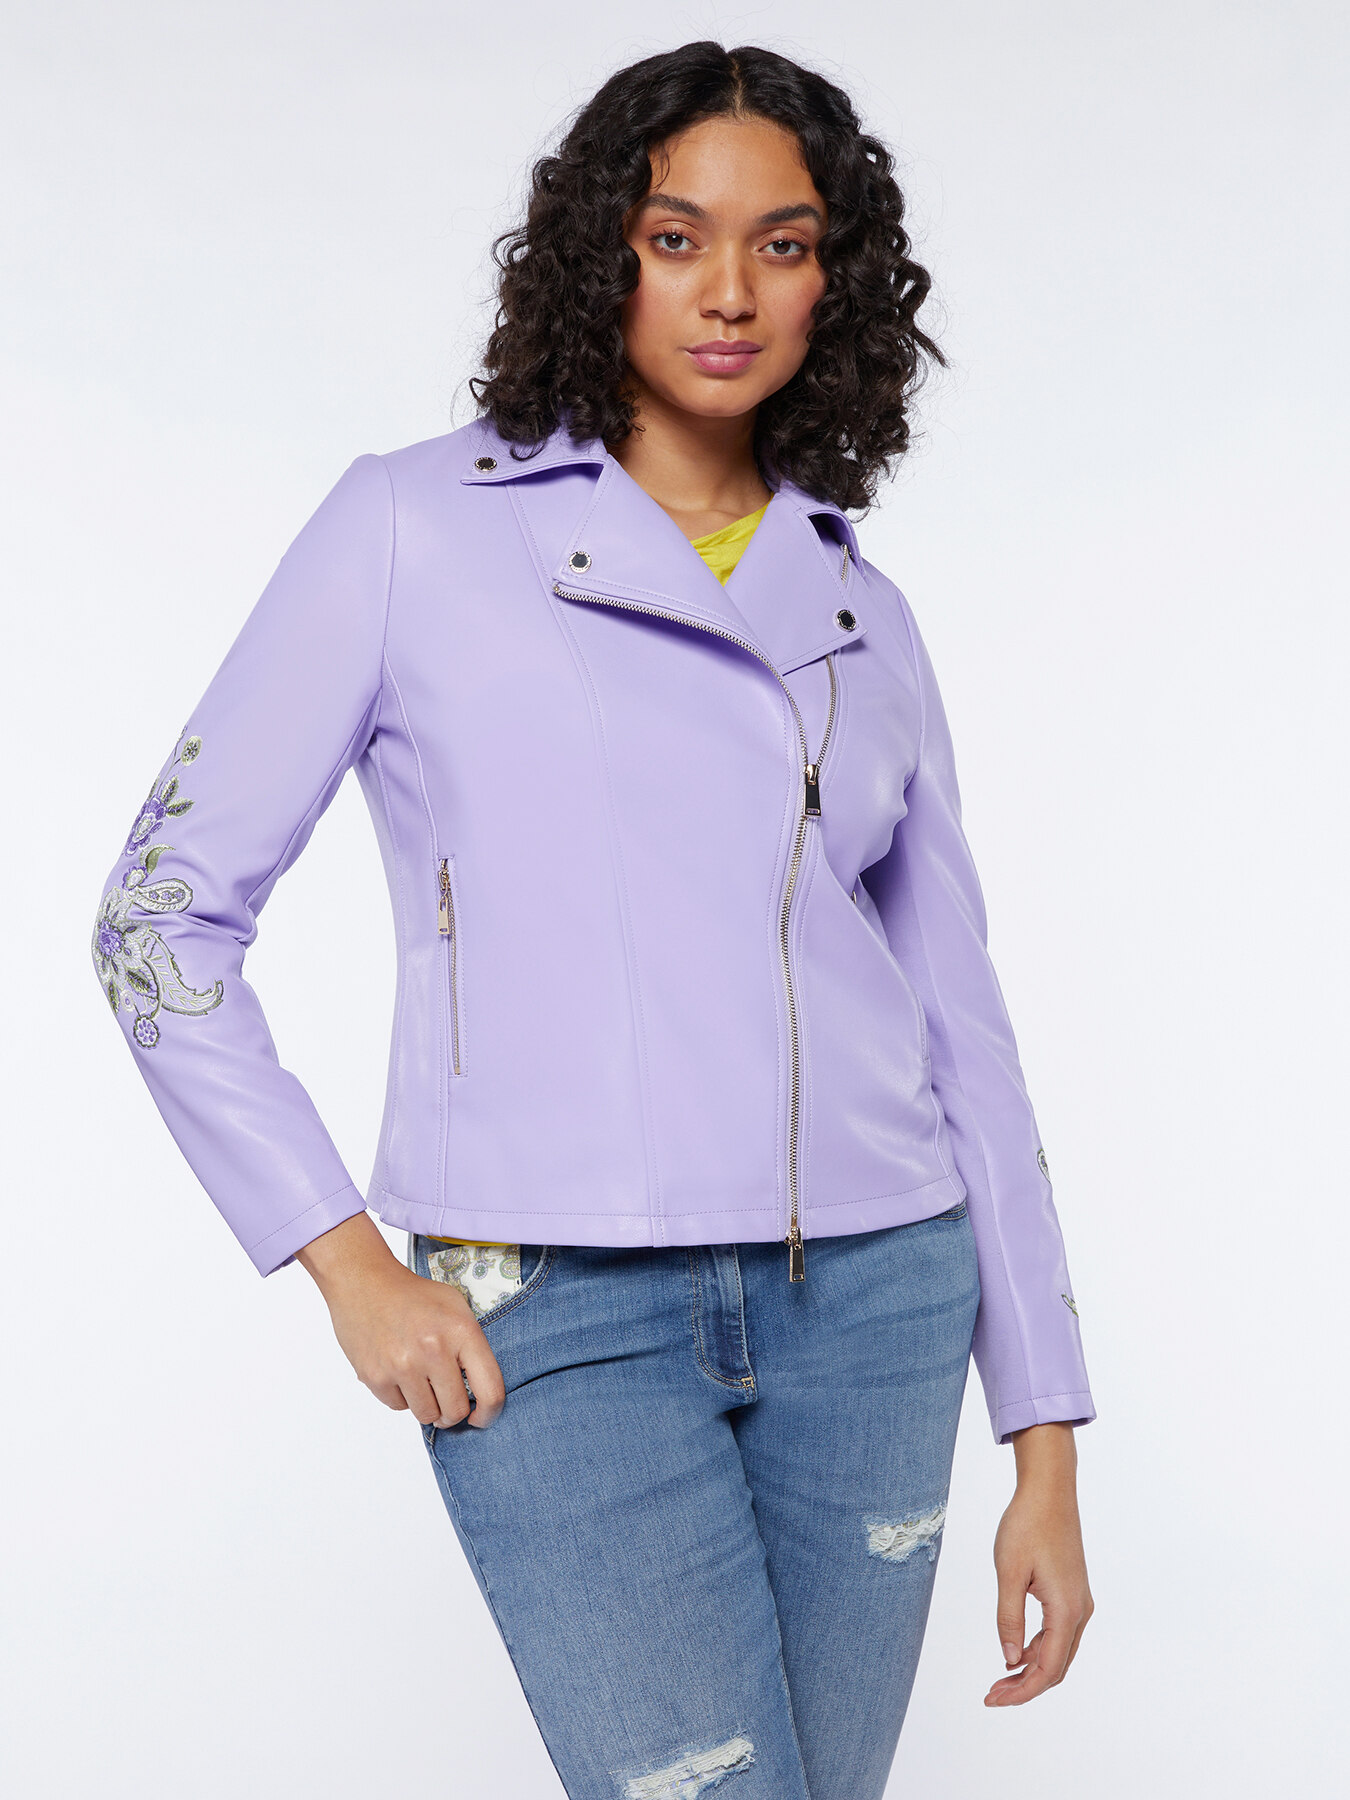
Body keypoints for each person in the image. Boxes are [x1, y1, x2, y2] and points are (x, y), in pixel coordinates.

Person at [91, 40, 1095, 1800]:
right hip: (549, 1311)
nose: (730, 292)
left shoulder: (860, 606)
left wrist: (1047, 1436)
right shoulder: (408, 526)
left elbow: (963, 1030)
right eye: (674, 237)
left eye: (784, 244)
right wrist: (343, 1261)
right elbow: (157, 922)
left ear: (836, 281)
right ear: (598, 254)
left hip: (878, 1303)